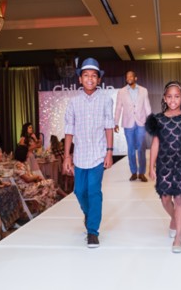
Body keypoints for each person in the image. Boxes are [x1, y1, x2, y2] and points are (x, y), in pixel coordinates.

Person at [145, 81, 181, 253]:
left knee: (179, 198)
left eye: (177, 96)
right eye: (169, 96)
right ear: (164, 98)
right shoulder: (159, 119)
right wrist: (151, 166)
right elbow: (155, 144)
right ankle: (174, 218)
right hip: (164, 163)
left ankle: (179, 237)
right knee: (164, 199)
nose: (173, 100)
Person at [63, 57, 114, 248]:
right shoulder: (74, 102)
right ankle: (89, 213)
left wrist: (109, 152)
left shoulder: (106, 100)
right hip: (80, 155)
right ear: (80, 79)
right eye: (86, 75)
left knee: (94, 191)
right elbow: (69, 130)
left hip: (98, 154)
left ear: (99, 79)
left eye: (94, 76)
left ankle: (92, 231)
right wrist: (67, 156)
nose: (90, 79)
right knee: (79, 191)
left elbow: (109, 127)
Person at [114, 70, 152, 182]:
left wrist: (151, 121)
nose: (129, 78)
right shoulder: (121, 92)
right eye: (127, 76)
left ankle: (142, 173)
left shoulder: (144, 90)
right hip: (128, 123)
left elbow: (147, 106)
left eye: (131, 76)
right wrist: (115, 122)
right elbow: (118, 107)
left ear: (135, 78)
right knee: (130, 149)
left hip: (141, 123)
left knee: (141, 149)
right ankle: (134, 172)